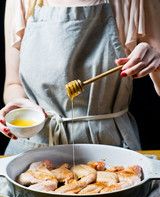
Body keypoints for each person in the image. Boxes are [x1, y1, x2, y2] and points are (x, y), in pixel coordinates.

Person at [0, 0, 160, 155]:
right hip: (34, 145)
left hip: (111, 148)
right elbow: (13, 84)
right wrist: (18, 105)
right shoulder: (19, 1)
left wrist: (157, 64)